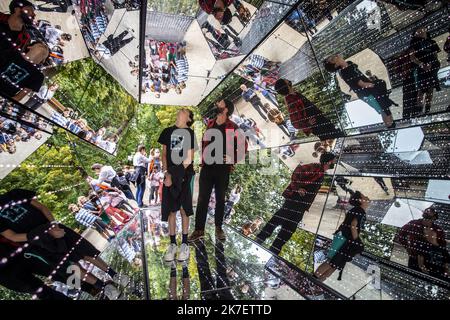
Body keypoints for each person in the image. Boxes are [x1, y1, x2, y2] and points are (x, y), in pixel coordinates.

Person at [0, 189, 127, 300]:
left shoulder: (14, 194)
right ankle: (105, 287)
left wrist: (53, 224)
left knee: (86, 252)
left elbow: (41, 207)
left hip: (54, 228)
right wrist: (42, 235)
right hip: (39, 244)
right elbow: (11, 236)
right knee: (71, 266)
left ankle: (114, 274)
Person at [188, 99, 247, 242]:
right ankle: (199, 230)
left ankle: (218, 228)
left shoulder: (233, 126)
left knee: (221, 199)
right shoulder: (210, 123)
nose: (216, 105)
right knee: (202, 199)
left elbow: (244, 146)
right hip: (207, 167)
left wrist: (232, 158)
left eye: (219, 104)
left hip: (222, 169)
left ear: (226, 109)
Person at [255, 153, 337, 255]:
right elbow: (297, 171)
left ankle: (274, 250)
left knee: (289, 229)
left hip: (301, 207)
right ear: (329, 161)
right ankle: (260, 238)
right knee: (279, 218)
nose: (335, 162)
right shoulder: (315, 167)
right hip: (294, 201)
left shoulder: (321, 173)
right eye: (334, 160)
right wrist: (297, 188)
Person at [158, 109, 197, 262]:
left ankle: (184, 244)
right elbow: (164, 154)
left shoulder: (190, 133)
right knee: (170, 211)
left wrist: (173, 176)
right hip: (169, 176)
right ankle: (173, 244)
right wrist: (167, 173)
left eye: (185, 111)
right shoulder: (167, 131)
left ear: (188, 118)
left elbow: (189, 159)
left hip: (185, 175)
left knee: (183, 209)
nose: (181, 110)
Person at [323, 54, 397, 128]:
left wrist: (373, 82)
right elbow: (362, 84)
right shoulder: (345, 72)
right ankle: (390, 125)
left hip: (370, 91)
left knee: (384, 107)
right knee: (383, 109)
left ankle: (391, 124)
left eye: (333, 56)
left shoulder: (349, 63)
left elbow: (359, 76)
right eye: (333, 59)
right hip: (368, 94)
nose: (335, 56)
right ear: (336, 65)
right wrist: (375, 85)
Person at [314, 191, 369, 281]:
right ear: (360, 200)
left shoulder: (358, 210)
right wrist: (356, 241)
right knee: (332, 261)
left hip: (343, 238)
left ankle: (317, 282)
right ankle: (314, 280)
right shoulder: (359, 210)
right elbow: (353, 225)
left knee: (333, 263)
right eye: (364, 195)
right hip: (343, 238)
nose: (366, 197)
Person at [274, 78, 343, 141]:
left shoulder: (295, 94)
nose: (287, 79)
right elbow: (295, 123)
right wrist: (308, 124)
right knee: (337, 136)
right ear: (285, 85)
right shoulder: (291, 100)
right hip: (317, 126)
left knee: (337, 134)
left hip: (320, 120)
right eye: (285, 80)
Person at [396, 206, 449, 280]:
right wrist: (408, 247)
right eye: (427, 211)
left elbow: (442, 246)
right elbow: (401, 235)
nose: (428, 212)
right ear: (423, 213)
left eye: (431, 212)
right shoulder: (413, 224)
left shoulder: (438, 229)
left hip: (433, 261)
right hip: (414, 258)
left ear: (434, 217)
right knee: (414, 279)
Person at [408, 28, 441, 114]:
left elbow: (435, 55)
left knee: (430, 89)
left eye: (423, 30)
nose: (421, 32)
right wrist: (422, 64)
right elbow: (412, 57)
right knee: (421, 90)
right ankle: (419, 110)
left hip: (433, 67)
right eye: (418, 31)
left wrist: (434, 65)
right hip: (421, 69)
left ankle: (427, 109)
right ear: (415, 34)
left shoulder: (432, 42)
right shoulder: (414, 43)